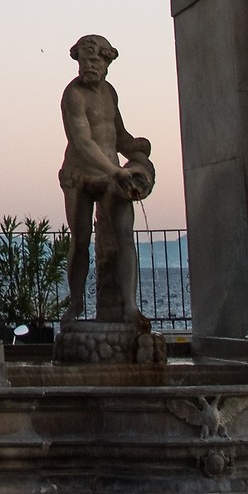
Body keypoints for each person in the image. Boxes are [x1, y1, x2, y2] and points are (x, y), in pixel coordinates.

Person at [58, 34, 155, 323]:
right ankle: (75, 305)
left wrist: (139, 149)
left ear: (106, 63)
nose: (90, 66)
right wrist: (116, 171)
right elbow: (83, 142)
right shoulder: (73, 94)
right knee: (81, 240)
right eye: (86, 60)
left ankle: (129, 307)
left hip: (114, 173)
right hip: (81, 174)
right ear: (78, 61)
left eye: (96, 60)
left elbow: (118, 136)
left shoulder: (109, 92)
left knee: (125, 236)